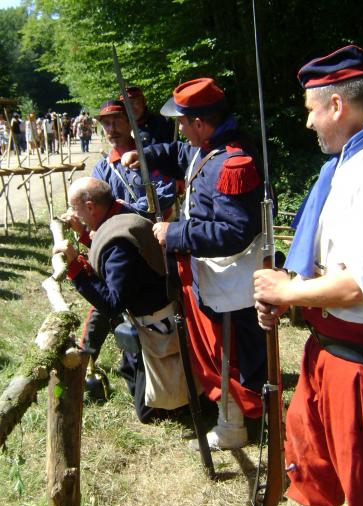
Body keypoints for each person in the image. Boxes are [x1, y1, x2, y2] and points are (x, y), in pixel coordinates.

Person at [253, 45, 363, 506]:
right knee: (310, 434)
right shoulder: (351, 162)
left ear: (336, 106)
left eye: (310, 111)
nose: (308, 124)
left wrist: (291, 291)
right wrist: (291, 290)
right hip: (330, 340)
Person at [122, 78, 268, 450]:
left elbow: (233, 233)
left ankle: (244, 424)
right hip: (215, 280)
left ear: (200, 123)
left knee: (236, 358)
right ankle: (234, 419)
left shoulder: (234, 162)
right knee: (224, 354)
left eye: (184, 122)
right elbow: (178, 154)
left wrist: (175, 235)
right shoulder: (208, 147)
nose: (180, 129)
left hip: (233, 283)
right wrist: (147, 154)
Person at [56, 177, 187, 421]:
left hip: (158, 326)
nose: (73, 214)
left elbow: (112, 303)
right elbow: (105, 253)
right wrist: (84, 235)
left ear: (91, 207)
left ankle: (182, 402)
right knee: (128, 367)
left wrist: (75, 267)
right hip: (150, 314)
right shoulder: (117, 215)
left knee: (148, 412)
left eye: (75, 208)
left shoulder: (119, 244)